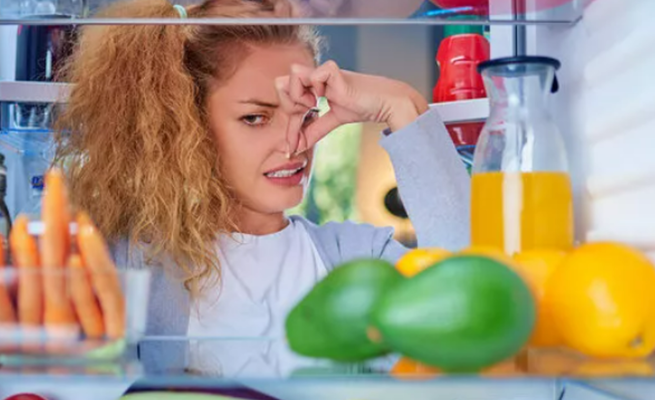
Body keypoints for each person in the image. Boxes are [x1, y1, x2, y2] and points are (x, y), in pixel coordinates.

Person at [55, 0, 471, 376]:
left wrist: (399, 104)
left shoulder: (356, 257)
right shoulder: (128, 262)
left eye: (306, 116)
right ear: (186, 126)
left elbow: (474, 303)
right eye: (256, 118)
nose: (294, 144)